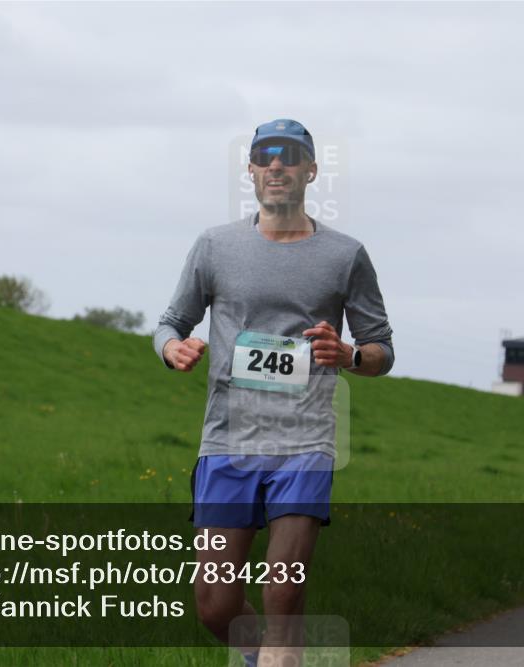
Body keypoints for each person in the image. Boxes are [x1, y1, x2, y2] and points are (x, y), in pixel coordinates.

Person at [153, 119, 394, 666]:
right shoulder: (215, 246)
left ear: (311, 170)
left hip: (304, 443)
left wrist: (350, 355)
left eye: (290, 156)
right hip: (227, 441)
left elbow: (381, 348)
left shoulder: (345, 255)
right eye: (266, 156)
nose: (277, 165)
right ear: (253, 170)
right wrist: (172, 350)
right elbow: (170, 323)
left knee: (282, 592)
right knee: (215, 605)